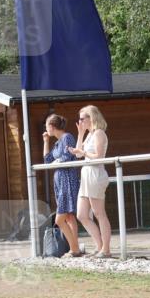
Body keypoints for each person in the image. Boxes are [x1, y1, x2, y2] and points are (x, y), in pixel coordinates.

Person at [68, 105, 112, 256]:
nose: (80, 121)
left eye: (82, 118)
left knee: (99, 213)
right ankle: (99, 246)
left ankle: (106, 249)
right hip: (86, 173)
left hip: (95, 173)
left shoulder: (99, 133)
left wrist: (83, 151)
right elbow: (79, 155)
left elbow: (99, 156)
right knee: (81, 214)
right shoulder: (89, 134)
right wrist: (80, 134)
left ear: (90, 118)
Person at [43, 114, 83, 256]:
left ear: (52, 127)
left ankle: (75, 248)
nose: (46, 128)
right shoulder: (57, 143)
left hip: (67, 179)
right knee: (68, 217)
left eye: (47, 125)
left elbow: (66, 158)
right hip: (59, 181)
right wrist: (46, 141)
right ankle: (74, 248)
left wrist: (55, 163)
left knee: (66, 216)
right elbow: (47, 160)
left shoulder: (67, 137)